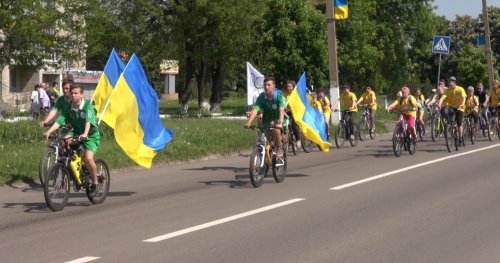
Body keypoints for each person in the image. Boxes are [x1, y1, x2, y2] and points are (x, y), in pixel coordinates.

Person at [43, 85, 101, 193]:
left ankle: (95, 182)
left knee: (88, 159)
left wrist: (85, 133)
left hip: (90, 135)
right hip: (77, 132)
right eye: (72, 93)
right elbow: (60, 120)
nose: (73, 95)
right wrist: (49, 131)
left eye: (76, 93)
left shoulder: (87, 106)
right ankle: (66, 172)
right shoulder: (70, 107)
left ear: (81, 94)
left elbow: (88, 122)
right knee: (62, 142)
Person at [244, 77, 286, 158]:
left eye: (269, 85)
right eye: (265, 85)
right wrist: (248, 122)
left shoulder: (279, 95)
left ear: (273, 86)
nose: (266, 87)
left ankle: (279, 147)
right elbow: (256, 109)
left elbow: (282, 109)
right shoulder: (261, 97)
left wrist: (280, 122)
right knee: (267, 139)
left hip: (278, 119)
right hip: (266, 119)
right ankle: (267, 157)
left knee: (275, 129)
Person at [438, 76, 466, 145]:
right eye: (448, 82)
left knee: (459, 123)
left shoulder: (460, 89)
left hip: (460, 108)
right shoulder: (448, 90)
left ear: (453, 82)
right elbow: (442, 98)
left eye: (449, 81)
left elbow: (464, 97)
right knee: (444, 112)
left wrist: (462, 104)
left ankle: (460, 138)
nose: (448, 83)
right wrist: (439, 104)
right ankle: (450, 124)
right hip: (451, 107)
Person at [283, 80, 301, 148]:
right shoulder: (284, 94)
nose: (289, 88)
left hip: (295, 112)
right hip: (287, 112)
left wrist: (292, 108)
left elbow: (298, 103)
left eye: (290, 86)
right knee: (286, 125)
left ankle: (298, 140)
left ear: (293, 87)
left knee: (294, 125)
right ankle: (289, 139)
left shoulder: (295, 94)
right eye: (287, 86)